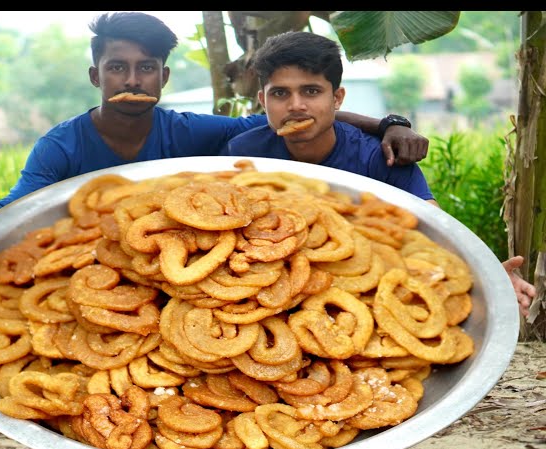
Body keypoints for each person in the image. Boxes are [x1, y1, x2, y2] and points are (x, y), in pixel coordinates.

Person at [0, 12, 428, 313]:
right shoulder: (60, 146)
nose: (131, 80)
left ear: (163, 78)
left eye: (145, 68)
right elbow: (13, 208)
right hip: (116, 272)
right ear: (97, 77)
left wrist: (389, 124)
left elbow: (284, 119)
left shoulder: (198, 132)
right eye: (118, 68)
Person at [219, 30, 536, 315]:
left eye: (311, 91)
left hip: (370, 299)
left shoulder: (381, 157)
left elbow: (435, 228)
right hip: (269, 300)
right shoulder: (242, 155)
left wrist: (490, 274)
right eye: (280, 93)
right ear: (262, 100)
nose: (296, 105)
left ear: (337, 98)